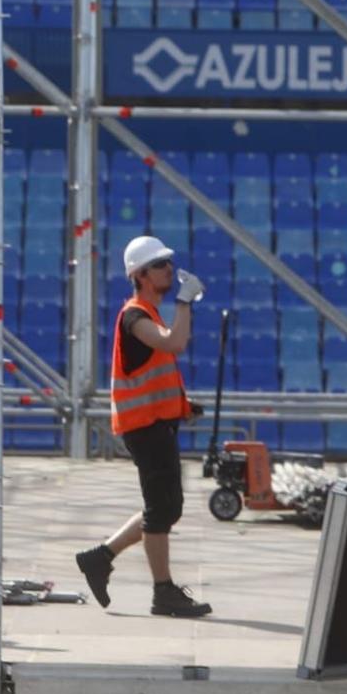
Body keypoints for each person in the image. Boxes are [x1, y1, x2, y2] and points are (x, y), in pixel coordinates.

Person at [74, 234, 212, 619]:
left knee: (165, 507)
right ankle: (163, 592)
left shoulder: (146, 315)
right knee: (161, 509)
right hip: (143, 428)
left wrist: (182, 407)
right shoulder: (134, 316)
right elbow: (173, 344)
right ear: (140, 275)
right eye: (160, 265)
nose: (168, 269)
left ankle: (100, 557)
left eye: (169, 263)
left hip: (156, 425)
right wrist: (185, 302)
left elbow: (158, 372)